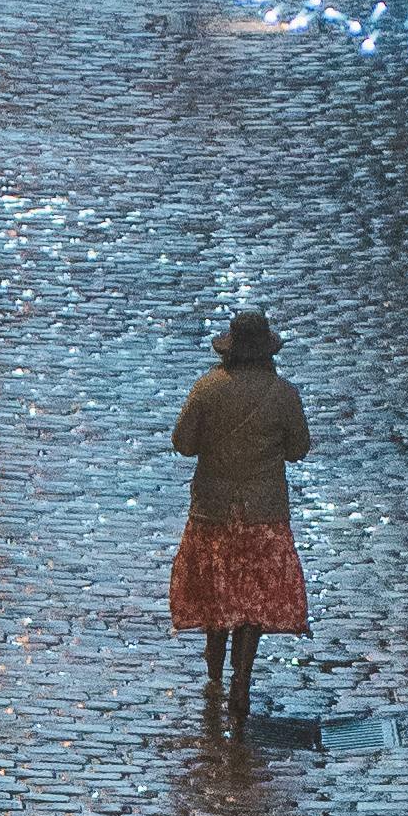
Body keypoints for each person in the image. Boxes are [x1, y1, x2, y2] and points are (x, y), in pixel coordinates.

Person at [171, 306, 313, 731]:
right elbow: (298, 448)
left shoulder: (207, 389)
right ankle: (241, 680)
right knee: (251, 604)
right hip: (263, 514)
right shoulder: (284, 394)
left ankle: (213, 673)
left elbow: (183, 443)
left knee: (217, 597)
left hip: (214, 511)